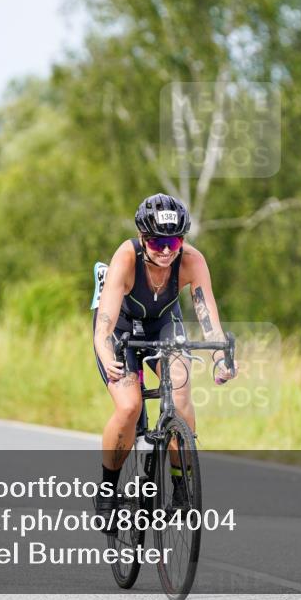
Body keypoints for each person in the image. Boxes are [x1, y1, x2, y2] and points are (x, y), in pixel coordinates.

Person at [91, 194, 235, 528]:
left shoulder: (192, 261)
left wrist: (219, 357)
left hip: (164, 324)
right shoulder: (126, 259)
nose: (167, 250)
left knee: (181, 391)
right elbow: (104, 326)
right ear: (143, 238)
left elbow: (207, 315)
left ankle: (182, 487)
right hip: (122, 329)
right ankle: (108, 491)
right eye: (157, 242)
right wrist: (106, 354)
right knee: (129, 406)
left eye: (173, 241)